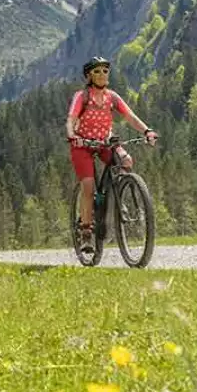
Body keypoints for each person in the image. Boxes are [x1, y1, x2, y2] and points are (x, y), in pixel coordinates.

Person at [66, 56, 158, 254]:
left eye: (105, 71)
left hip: (104, 141)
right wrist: (72, 135)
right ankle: (86, 233)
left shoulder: (112, 97)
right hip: (82, 144)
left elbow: (130, 116)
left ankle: (116, 197)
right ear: (89, 76)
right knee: (88, 187)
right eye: (97, 71)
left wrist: (147, 131)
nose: (102, 75)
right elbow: (71, 119)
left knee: (126, 160)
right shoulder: (82, 96)